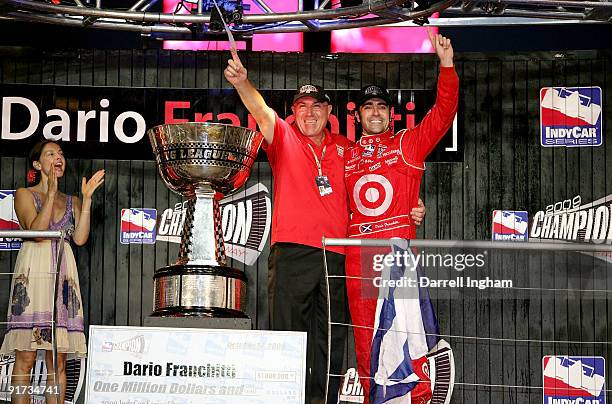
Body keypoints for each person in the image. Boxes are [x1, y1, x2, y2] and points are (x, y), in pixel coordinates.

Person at [224, 49, 426, 403]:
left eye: (317, 106)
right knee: (289, 337)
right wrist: (243, 83)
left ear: (330, 113)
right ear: (293, 113)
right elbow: (259, 110)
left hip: (337, 254)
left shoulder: (347, 148)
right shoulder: (283, 138)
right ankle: (287, 398)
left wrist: (411, 206)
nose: (310, 112)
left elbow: (380, 181)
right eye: (302, 106)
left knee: (329, 341)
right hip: (292, 253)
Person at [344, 31, 459, 404]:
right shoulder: (343, 153)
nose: (375, 112)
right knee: (366, 338)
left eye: (381, 107)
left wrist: (446, 66)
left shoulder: (407, 143)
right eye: (368, 107)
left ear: (390, 114)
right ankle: (371, 399)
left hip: (396, 253)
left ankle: (414, 399)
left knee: (408, 337)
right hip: (358, 254)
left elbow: (442, 115)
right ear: (358, 115)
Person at [0, 140, 105, 404]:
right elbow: (36, 231)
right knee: (25, 355)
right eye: (50, 154)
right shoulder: (24, 193)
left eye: (60, 153)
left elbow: (80, 238)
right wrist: (49, 193)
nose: (58, 157)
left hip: (62, 272)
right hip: (34, 270)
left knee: (57, 358)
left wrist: (88, 199)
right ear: (38, 164)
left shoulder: (71, 200)